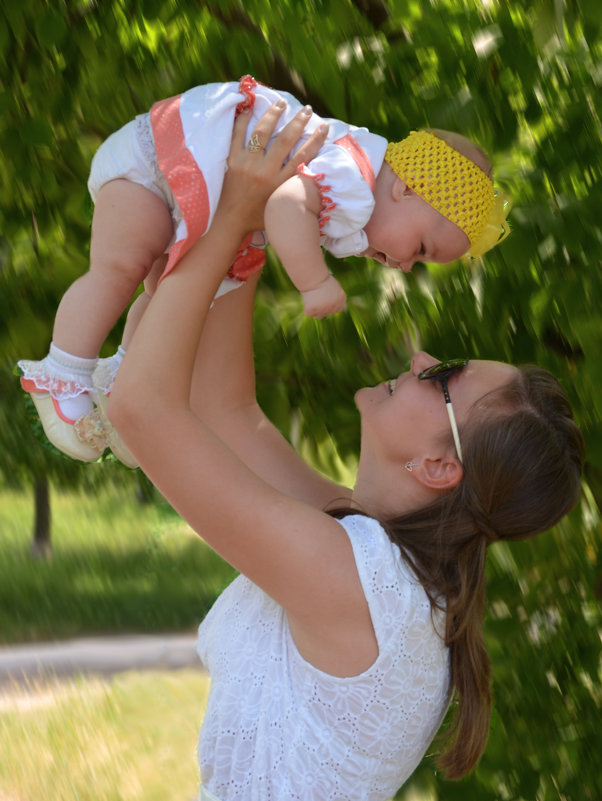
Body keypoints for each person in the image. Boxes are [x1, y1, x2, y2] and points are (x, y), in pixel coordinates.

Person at [107, 103, 583, 801]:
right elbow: (226, 411)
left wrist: (232, 212)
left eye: (443, 374)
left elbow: (141, 410)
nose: (419, 355)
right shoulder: (379, 559)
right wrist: (253, 219)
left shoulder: (362, 586)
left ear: (439, 467)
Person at [17, 74, 510, 465]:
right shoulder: (355, 173)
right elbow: (283, 207)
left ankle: (124, 384)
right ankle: (63, 372)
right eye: (421, 248)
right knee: (120, 268)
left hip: (199, 191)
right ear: (407, 187)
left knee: (164, 294)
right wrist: (313, 282)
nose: (404, 266)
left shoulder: (361, 194)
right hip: (159, 165)